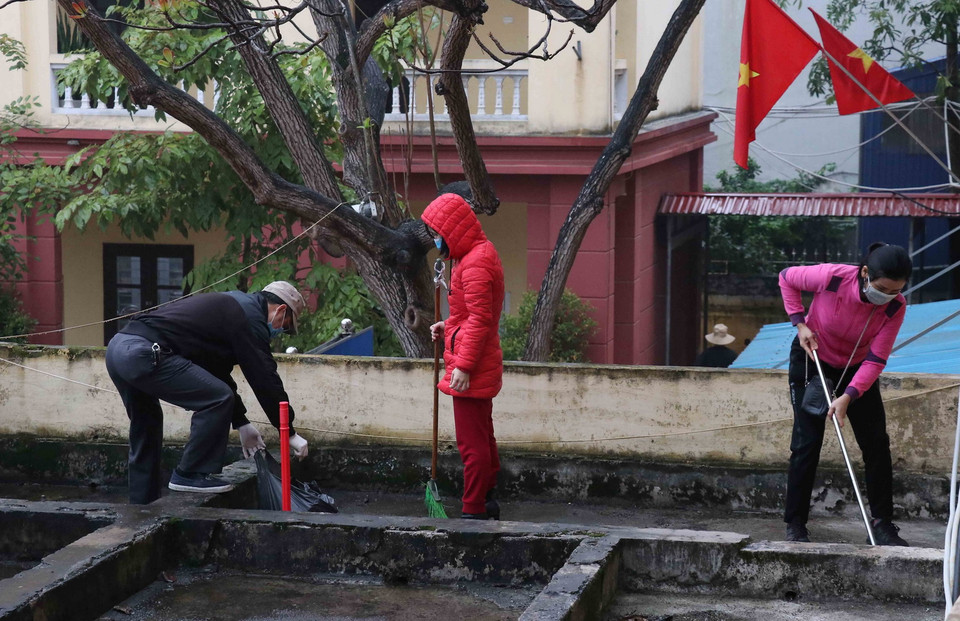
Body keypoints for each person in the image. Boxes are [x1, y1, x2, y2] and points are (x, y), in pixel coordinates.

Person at [105, 281, 310, 504]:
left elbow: (215, 370)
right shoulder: (251, 318)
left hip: (118, 350)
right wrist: (288, 433)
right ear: (280, 310)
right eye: (285, 325)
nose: (280, 331)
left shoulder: (233, 307)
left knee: (147, 423)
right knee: (218, 398)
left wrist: (242, 422)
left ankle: (141, 505)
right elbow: (264, 377)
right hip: (144, 353)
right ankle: (190, 474)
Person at [779, 243, 912, 546]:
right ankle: (796, 522)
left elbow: (877, 358)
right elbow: (787, 277)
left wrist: (849, 395)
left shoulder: (895, 307)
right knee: (806, 442)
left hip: (856, 367)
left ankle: (881, 524)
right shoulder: (833, 277)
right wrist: (799, 323)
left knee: (876, 443)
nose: (887, 297)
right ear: (865, 273)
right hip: (813, 358)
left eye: (895, 290)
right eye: (881, 288)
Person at [422, 193, 505, 520]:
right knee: (483, 437)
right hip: (476, 360)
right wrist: (448, 325)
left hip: (472, 366)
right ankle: (487, 498)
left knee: (472, 446)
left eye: (436, 232)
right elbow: (469, 314)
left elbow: (481, 319)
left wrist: (465, 365)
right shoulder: (470, 257)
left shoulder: (475, 262)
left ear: (451, 230)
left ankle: (473, 511)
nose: (434, 239)